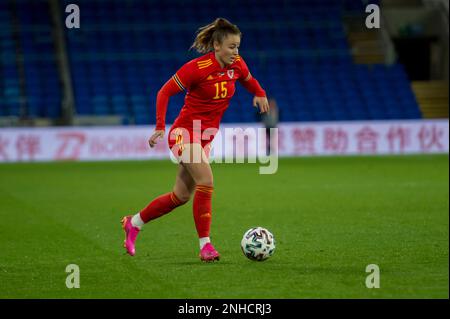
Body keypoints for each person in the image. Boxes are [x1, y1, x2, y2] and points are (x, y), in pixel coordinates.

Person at [121, 18, 269, 262]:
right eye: (231, 47)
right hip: (184, 133)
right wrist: (160, 125)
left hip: (204, 138)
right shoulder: (196, 68)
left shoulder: (237, 65)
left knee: (180, 196)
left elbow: (249, 80)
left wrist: (260, 93)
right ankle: (206, 246)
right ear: (217, 45)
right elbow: (164, 91)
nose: (236, 52)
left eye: (238, 47)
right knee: (206, 180)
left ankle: (133, 222)